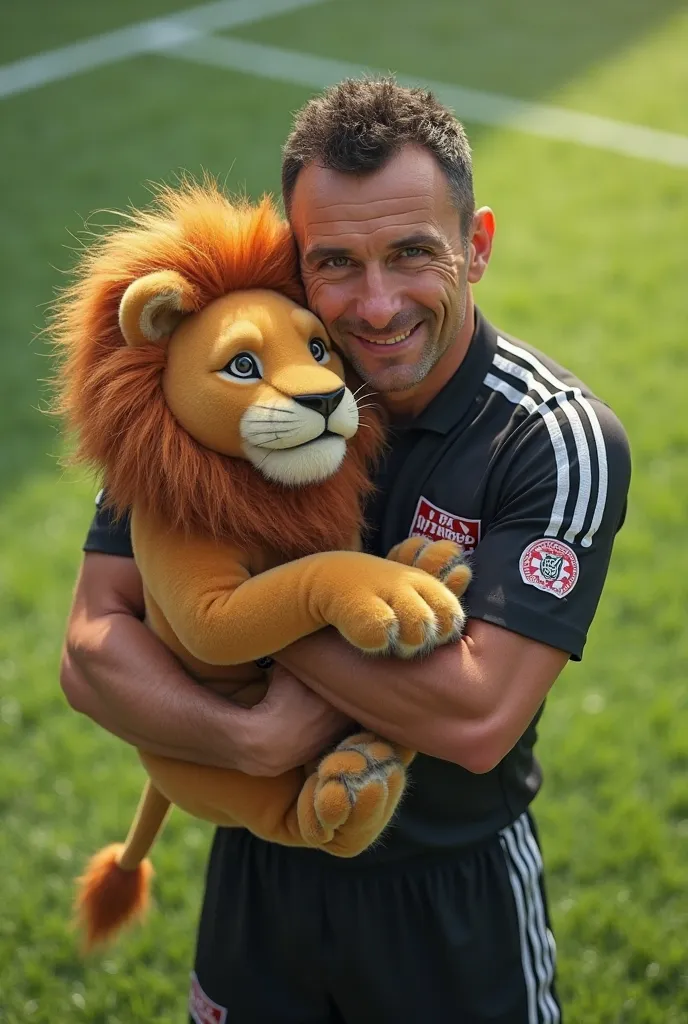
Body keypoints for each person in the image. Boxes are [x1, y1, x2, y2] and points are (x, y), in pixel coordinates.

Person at [60, 77, 631, 1024]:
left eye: (413, 254)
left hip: (448, 891)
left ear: (476, 246)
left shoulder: (551, 436)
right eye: (335, 264)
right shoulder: (201, 400)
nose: (374, 307)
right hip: (259, 862)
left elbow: (475, 719)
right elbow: (89, 651)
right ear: (295, 259)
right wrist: (248, 739)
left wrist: (235, 622)